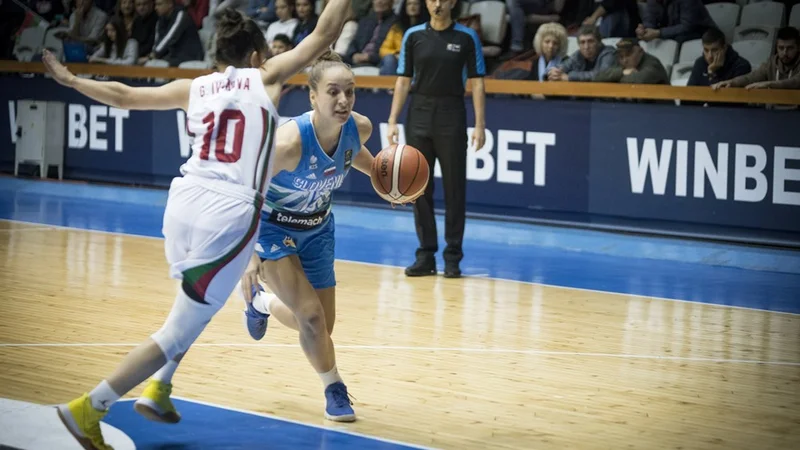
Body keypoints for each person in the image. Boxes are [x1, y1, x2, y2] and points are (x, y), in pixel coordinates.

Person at [42, 0, 354, 447]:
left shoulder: (197, 86)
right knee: (176, 329)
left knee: (194, 305)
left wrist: (72, 79)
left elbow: (126, 96)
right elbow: (324, 34)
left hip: (182, 202)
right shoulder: (264, 78)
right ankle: (90, 407)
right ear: (254, 57)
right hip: (228, 214)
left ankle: (161, 386)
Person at [238, 51, 380, 422]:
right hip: (272, 229)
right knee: (313, 319)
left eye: (349, 91)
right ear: (313, 96)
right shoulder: (287, 144)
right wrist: (248, 252)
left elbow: (356, 158)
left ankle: (261, 304)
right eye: (333, 92)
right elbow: (244, 190)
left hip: (317, 229)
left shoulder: (358, 128)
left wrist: (391, 183)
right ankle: (334, 387)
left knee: (322, 326)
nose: (343, 100)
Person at [387, 0, 486, 279]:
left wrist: (480, 124)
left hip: (452, 114)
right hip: (418, 114)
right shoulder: (413, 36)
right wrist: (393, 119)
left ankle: (453, 256)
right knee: (419, 187)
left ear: (453, 2)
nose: (437, 3)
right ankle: (426, 254)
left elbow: (477, 81)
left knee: (455, 187)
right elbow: (403, 79)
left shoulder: (467, 37)